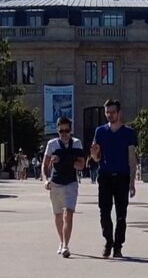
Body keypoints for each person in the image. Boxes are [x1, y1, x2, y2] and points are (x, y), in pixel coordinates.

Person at [88, 98, 140, 258]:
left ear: (119, 113)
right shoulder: (100, 131)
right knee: (104, 211)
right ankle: (108, 240)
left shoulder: (129, 133)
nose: (109, 115)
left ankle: (118, 246)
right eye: (107, 112)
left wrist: (132, 182)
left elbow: (132, 158)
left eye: (112, 112)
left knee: (121, 214)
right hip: (105, 176)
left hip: (122, 177)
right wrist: (94, 153)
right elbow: (96, 158)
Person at [41, 115, 83, 257]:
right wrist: (46, 179)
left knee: (68, 213)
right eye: (61, 131)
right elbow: (45, 164)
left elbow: (81, 165)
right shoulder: (52, 144)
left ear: (71, 130)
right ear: (57, 131)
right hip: (56, 183)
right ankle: (61, 241)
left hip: (71, 182)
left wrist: (63, 160)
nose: (64, 134)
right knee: (58, 214)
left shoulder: (77, 143)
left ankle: (66, 245)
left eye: (67, 130)